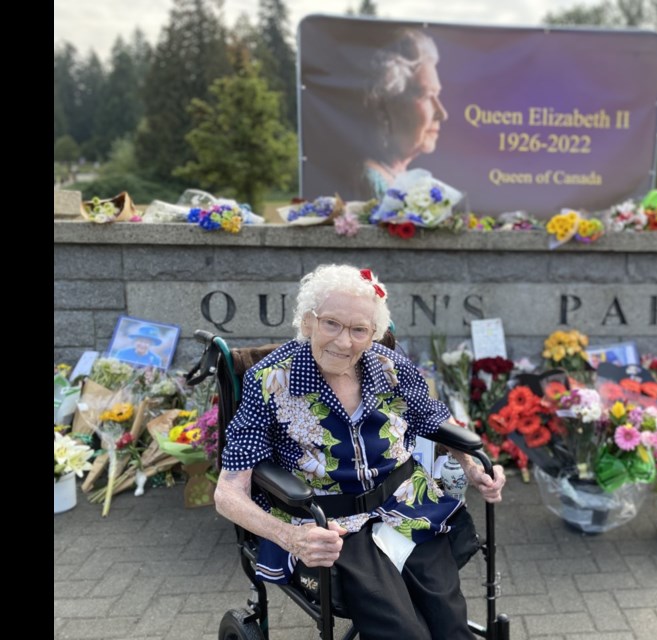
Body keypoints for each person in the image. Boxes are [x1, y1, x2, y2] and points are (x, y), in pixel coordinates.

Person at [215, 264, 505, 640]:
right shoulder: (270, 381)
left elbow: (435, 419)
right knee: (403, 634)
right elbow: (227, 493)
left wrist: (470, 464)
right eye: (331, 323)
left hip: (408, 505)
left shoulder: (391, 366)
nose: (343, 341)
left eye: (359, 330)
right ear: (307, 322)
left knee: (451, 625)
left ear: (373, 335)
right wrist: (291, 538)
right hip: (331, 526)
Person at [359, 29, 449, 199]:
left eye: (437, 95)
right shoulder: (370, 180)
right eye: (426, 96)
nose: (442, 114)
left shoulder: (404, 177)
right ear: (390, 105)